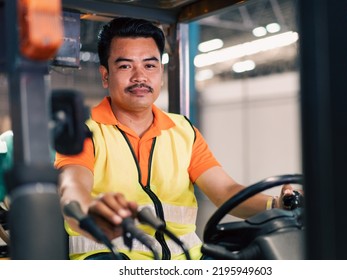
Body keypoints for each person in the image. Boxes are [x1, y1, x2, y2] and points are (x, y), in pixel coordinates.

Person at [54, 17, 298, 260]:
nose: (140, 76)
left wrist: (277, 206)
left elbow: (225, 190)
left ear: (161, 70)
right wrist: (87, 209)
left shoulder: (183, 131)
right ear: (105, 76)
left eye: (150, 65)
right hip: (111, 257)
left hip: (187, 259)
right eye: (126, 66)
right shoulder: (84, 133)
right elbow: (73, 187)